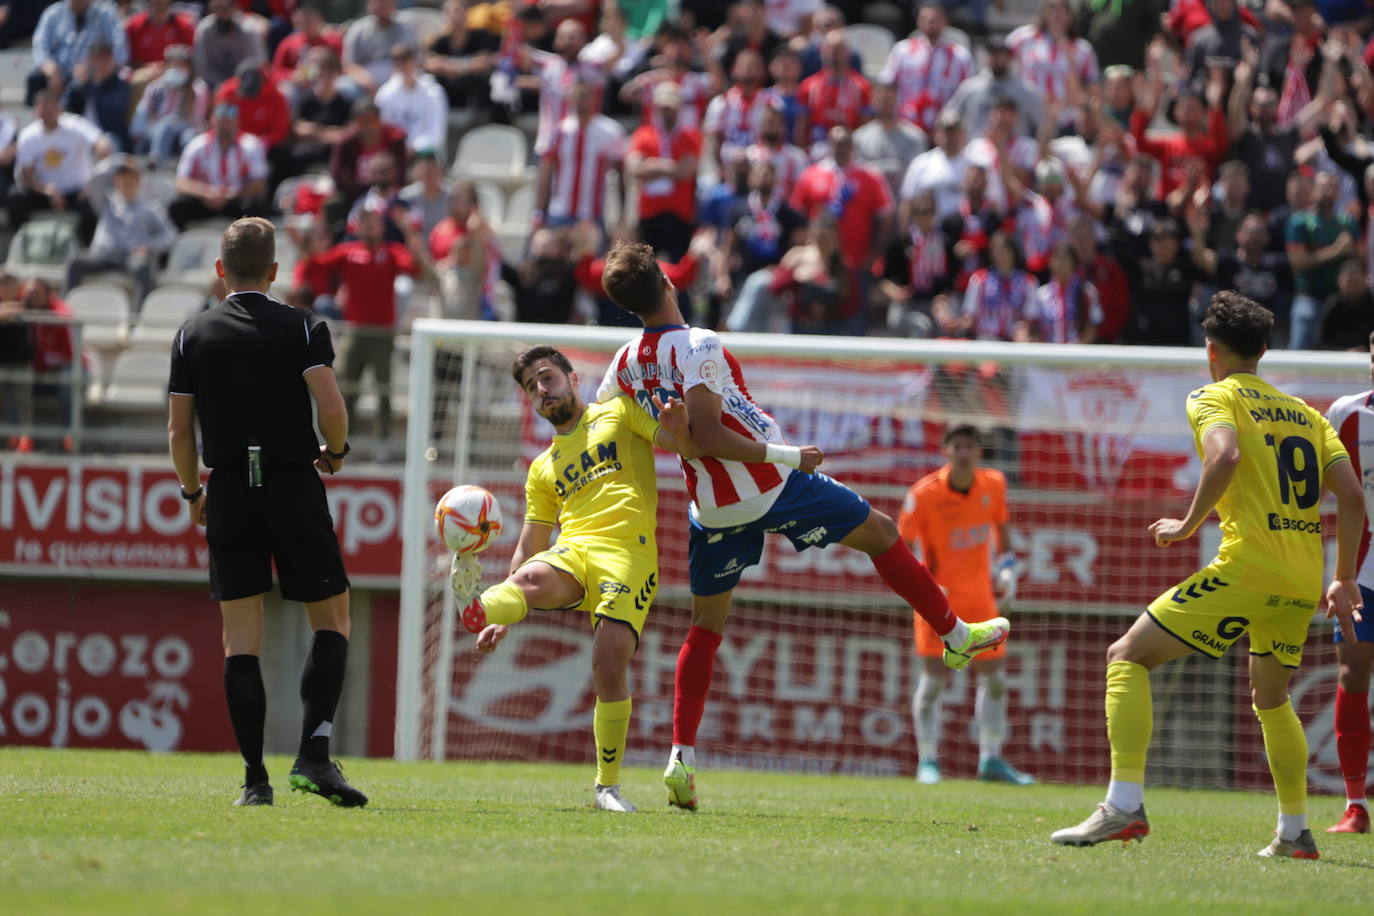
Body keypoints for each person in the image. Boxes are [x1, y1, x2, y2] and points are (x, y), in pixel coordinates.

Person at [596, 241, 1011, 810]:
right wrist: (789, 456)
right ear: (668, 282)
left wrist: (671, 438)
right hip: (769, 485)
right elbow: (714, 435)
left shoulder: (623, 363)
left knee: (706, 627)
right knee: (883, 534)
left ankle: (681, 758)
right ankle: (955, 635)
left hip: (711, 509)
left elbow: (617, 420)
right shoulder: (698, 344)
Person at [1051, 291, 1364, 859]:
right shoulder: (1308, 414)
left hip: (1249, 566)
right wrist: (1342, 576)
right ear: (1264, 350)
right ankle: (1294, 832)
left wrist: (1191, 522)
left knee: (1127, 656)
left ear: (1210, 350)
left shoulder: (1212, 397)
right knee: (1272, 698)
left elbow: (1225, 457)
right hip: (1301, 577)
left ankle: (1123, 806)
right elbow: (1351, 496)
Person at [167, 216, 366, 809]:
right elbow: (330, 405)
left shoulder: (192, 332)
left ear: (220, 270)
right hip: (290, 483)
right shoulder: (303, 325)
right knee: (332, 621)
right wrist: (336, 453)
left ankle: (255, 781)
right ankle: (313, 755)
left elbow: (179, 430)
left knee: (240, 643)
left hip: (229, 488)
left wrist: (192, 493)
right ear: (276, 271)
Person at [449, 345, 698, 812]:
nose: (541, 391)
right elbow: (529, 544)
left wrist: (680, 428)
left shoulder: (619, 412)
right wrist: (504, 618)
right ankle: (478, 607)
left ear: (572, 377)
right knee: (530, 580)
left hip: (628, 554)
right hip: (575, 549)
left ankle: (607, 786)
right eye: (531, 388)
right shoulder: (543, 468)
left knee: (608, 662)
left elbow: (678, 445)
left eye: (546, 378)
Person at [900, 424, 1031, 786]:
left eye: (969, 446)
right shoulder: (923, 494)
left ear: (979, 452)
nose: (962, 452)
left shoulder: (994, 485)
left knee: (996, 680)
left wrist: (1009, 569)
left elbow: (1002, 533)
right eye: (956, 445)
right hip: (938, 602)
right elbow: (901, 544)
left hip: (981, 599)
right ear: (945, 451)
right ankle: (928, 762)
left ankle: (991, 760)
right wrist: (923, 584)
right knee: (933, 681)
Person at [314, 206, 422, 439]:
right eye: (365, 223)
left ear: (382, 227)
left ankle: (383, 440)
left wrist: (409, 233)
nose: (370, 228)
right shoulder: (347, 251)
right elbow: (318, 264)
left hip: (383, 334)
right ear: (358, 227)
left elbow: (412, 268)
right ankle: (344, 439)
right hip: (355, 330)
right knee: (348, 388)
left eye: (373, 223)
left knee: (384, 390)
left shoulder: (393, 252)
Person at [1324, 343, 1374, 833]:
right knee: (1353, 674)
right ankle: (1356, 805)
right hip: (1364, 569)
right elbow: (1323, 488)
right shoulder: (1346, 413)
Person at [65, 161, 177, 308]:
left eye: (130, 181)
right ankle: (66, 310)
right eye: (122, 181)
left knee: (145, 268)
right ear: (116, 182)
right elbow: (94, 178)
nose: (126, 186)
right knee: (74, 263)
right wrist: (121, 160)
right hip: (103, 256)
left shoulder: (150, 207)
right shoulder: (106, 201)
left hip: (130, 258)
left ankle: (136, 320)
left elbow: (170, 235)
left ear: (138, 182)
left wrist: (148, 246)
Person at [9, 91, 108, 234]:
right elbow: (27, 176)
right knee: (16, 197)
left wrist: (91, 184)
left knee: (94, 202)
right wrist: (46, 190)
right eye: (43, 112)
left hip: (78, 192)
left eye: (51, 110)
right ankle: (23, 241)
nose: (47, 115)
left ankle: (87, 249)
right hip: (44, 193)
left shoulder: (75, 125)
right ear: (35, 113)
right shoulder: (28, 136)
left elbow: (102, 145)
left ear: (59, 110)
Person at [535, 78, 627, 230]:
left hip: (592, 215)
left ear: (594, 98)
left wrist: (621, 213)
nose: (579, 101)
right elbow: (546, 173)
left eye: (584, 96)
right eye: (575, 96)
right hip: (560, 212)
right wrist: (539, 211)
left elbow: (621, 174)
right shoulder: (559, 131)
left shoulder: (610, 131)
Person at [627, 82, 701, 261]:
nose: (667, 112)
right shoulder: (643, 134)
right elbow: (635, 168)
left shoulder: (690, 136)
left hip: (680, 215)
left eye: (671, 107)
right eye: (663, 107)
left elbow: (686, 171)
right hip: (649, 214)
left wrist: (652, 165)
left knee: (678, 271)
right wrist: (671, 167)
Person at [1287, 171, 1359, 350]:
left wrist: (1352, 250)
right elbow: (1298, 261)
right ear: (1313, 190)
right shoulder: (1299, 222)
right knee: (1299, 350)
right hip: (1309, 296)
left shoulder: (1348, 222)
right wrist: (1337, 250)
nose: (1327, 192)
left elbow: (1361, 257)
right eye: (1323, 187)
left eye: (1332, 187)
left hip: (1341, 300)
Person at [169, 103, 269, 229]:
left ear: (237, 121)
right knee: (177, 206)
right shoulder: (197, 145)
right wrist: (206, 194)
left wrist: (229, 195)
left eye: (229, 119)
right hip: (205, 200)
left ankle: (251, 246)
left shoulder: (250, 145)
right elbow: (181, 182)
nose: (225, 123)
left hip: (235, 200)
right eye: (221, 118)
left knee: (255, 205)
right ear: (212, 120)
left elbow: (259, 184)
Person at [880, 2, 973, 134]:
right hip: (906, 126)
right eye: (925, 19)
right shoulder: (902, 51)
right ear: (918, 22)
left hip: (945, 128)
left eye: (935, 19)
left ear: (945, 22)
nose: (930, 23)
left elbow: (968, 93)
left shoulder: (960, 56)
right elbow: (888, 86)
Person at [28, 0, 130, 105]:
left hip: (92, 74)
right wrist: (51, 70)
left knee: (79, 85)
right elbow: (40, 47)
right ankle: (37, 120)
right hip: (57, 71)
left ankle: (67, 115)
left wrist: (94, 67)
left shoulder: (107, 13)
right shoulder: (52, 14)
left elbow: (121, 52)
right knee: (34, 79)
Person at [940, 35, 1042, 138]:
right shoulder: (971, 87)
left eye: (1001, 54)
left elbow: (1041, 123)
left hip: (1015, 151)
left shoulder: (1025, 90)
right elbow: (949, 114)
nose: (997, 58)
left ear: (1010, 57)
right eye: (992, 54)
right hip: (976, 150)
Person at [131, 44, 210, 168]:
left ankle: (189, 169)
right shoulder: (156, 88)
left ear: (189, 68)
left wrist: (175, 123)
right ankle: (155, 160)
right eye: (172, 65)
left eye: (181, 65)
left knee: (188, 136)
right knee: (167, 125)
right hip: (154, 133)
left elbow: (196, 121)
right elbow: (141, 116)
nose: (176, 69)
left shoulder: (198, 90)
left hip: (183, 134)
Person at [853, 83, 929, 198]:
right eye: (881, 99)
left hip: (902, 205)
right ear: (872, 101)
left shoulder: (915, 137)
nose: (885, 104)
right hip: (870, 205)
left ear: (897, 100)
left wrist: (873, 170)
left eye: (889, 99)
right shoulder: (859, 137)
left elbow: (915, 177)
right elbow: (858, 175)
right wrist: (894, 167)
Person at [375, 45, 448, 159]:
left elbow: (436, 133)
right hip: (394, 153)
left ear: (415, 62)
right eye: (398, 61)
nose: (403, 65)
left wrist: (414, 148)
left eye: (406, 59)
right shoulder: (385, 93)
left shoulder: (433, 92)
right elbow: (383, 128)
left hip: (424, 153)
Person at [62, 41, 132, 152]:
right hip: (82, 136)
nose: (99, 64)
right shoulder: (81, 83)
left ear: (111, 61)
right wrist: (78, 86)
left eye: (104, 59)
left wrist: (94, 87)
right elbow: (66, 110)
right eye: (95, 59)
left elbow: (114, 113)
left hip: (109, 138)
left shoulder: (121, 85)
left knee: (108, 142)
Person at [342, 0, 419, 94]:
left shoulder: (405, 28)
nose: (381, 6)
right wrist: (368, 82)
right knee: (345, 87)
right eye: (377, 2)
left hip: (397, 75)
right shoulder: (358, 29)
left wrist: (393, 83)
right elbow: (349, 64)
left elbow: (412, 60)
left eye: (386, 3)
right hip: (365, 79)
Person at [193, 0, 266, 91]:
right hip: (213, 86)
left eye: (225, 8)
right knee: (200, 87)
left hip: (243, 85)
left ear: (235, 8)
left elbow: (256, 63)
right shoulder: (205, 29)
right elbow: (202, 66)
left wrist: (232, 85)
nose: (221, 13)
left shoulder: (248, 30)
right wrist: (221, 85)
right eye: (217, 8)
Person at [1318, 261, 1374, 350]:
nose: (1353, 287)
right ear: (1339, 282)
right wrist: (1345, 351)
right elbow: (1322, 343)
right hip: (1339, 359)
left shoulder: (1372, 303)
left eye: (1356, 282)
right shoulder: (1334, 306)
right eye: (1349, 282)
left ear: (1365, 280)